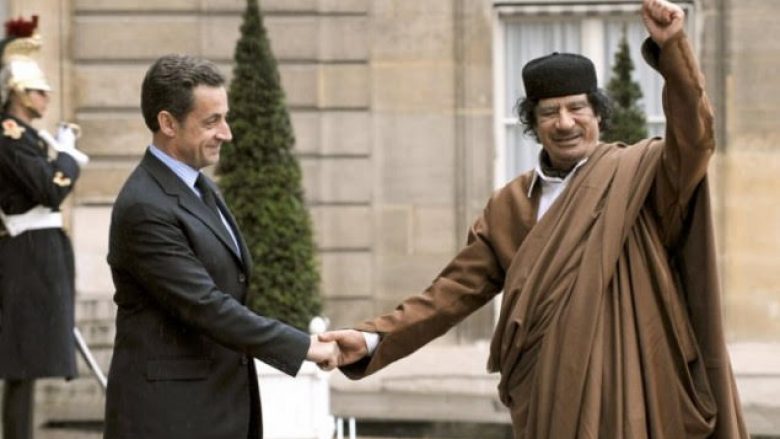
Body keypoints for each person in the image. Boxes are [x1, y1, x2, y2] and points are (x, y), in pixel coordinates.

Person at [320, 0, 748, 437]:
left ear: (598, 114)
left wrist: (673, 49)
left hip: (635, 393)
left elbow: (695, 138)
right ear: (532, 123)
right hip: (551, 401)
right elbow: (449, 295)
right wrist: (371, 338)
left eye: (576, 108)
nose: (564, 123)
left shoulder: (644, 177)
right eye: (548, 112)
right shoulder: (510, 206)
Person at [103, 54, 339, 439]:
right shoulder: (145, 206)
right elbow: (206, 306)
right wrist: (304, 347)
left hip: (217, 407)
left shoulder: (201, 187)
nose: (226, 133)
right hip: (169, 418)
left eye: (224, 118)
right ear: (168, 123)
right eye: (211, 121)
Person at [0, 16, 89, 439]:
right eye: (39, 90)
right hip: (26, 252)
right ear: (18, 92)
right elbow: (51, 189)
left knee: (28, 361)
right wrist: (68, 157)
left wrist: (60, 154)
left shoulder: (28, 137)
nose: (47, 96)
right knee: (22, 361)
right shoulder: (10, 136)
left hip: (38, 250)